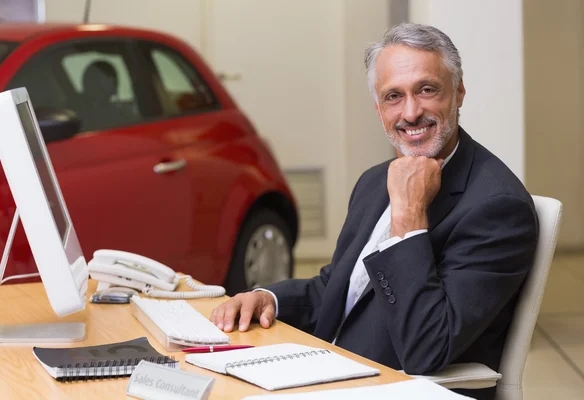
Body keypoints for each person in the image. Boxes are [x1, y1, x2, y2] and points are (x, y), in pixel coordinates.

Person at [210, 23, 538, 400]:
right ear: (378, 109)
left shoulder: (497, 208)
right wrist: (269, 298)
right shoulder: (374, 181)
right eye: (393, 96)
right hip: (326, 373)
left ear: (459, 92)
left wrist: (409, 218)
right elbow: (337, 290)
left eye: (427, 90)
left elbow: (428, 349)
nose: (410, 112)